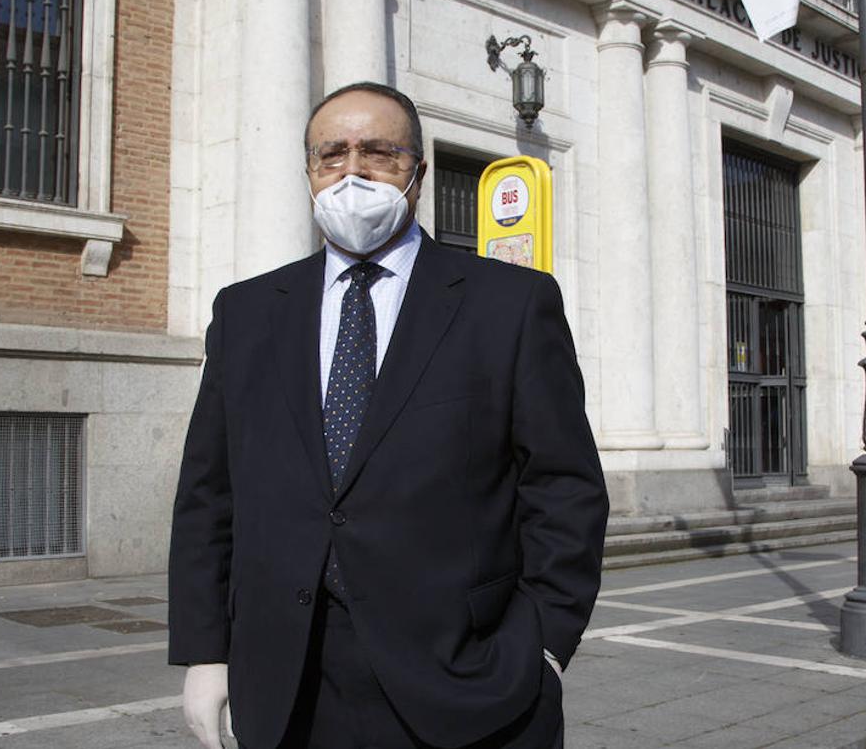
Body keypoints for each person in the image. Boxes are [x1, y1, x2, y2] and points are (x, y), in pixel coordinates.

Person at [167, 82, 608, 749]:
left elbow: (564, 488)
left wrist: (544, 644)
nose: (352, 173)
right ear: (309, 172)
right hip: (285, 680)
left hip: (468, 680)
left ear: (419, 174)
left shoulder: (509, 305)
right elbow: (209, 494)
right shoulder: (247, 312)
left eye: (379, 153)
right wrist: (205, 652)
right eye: (331, 155)